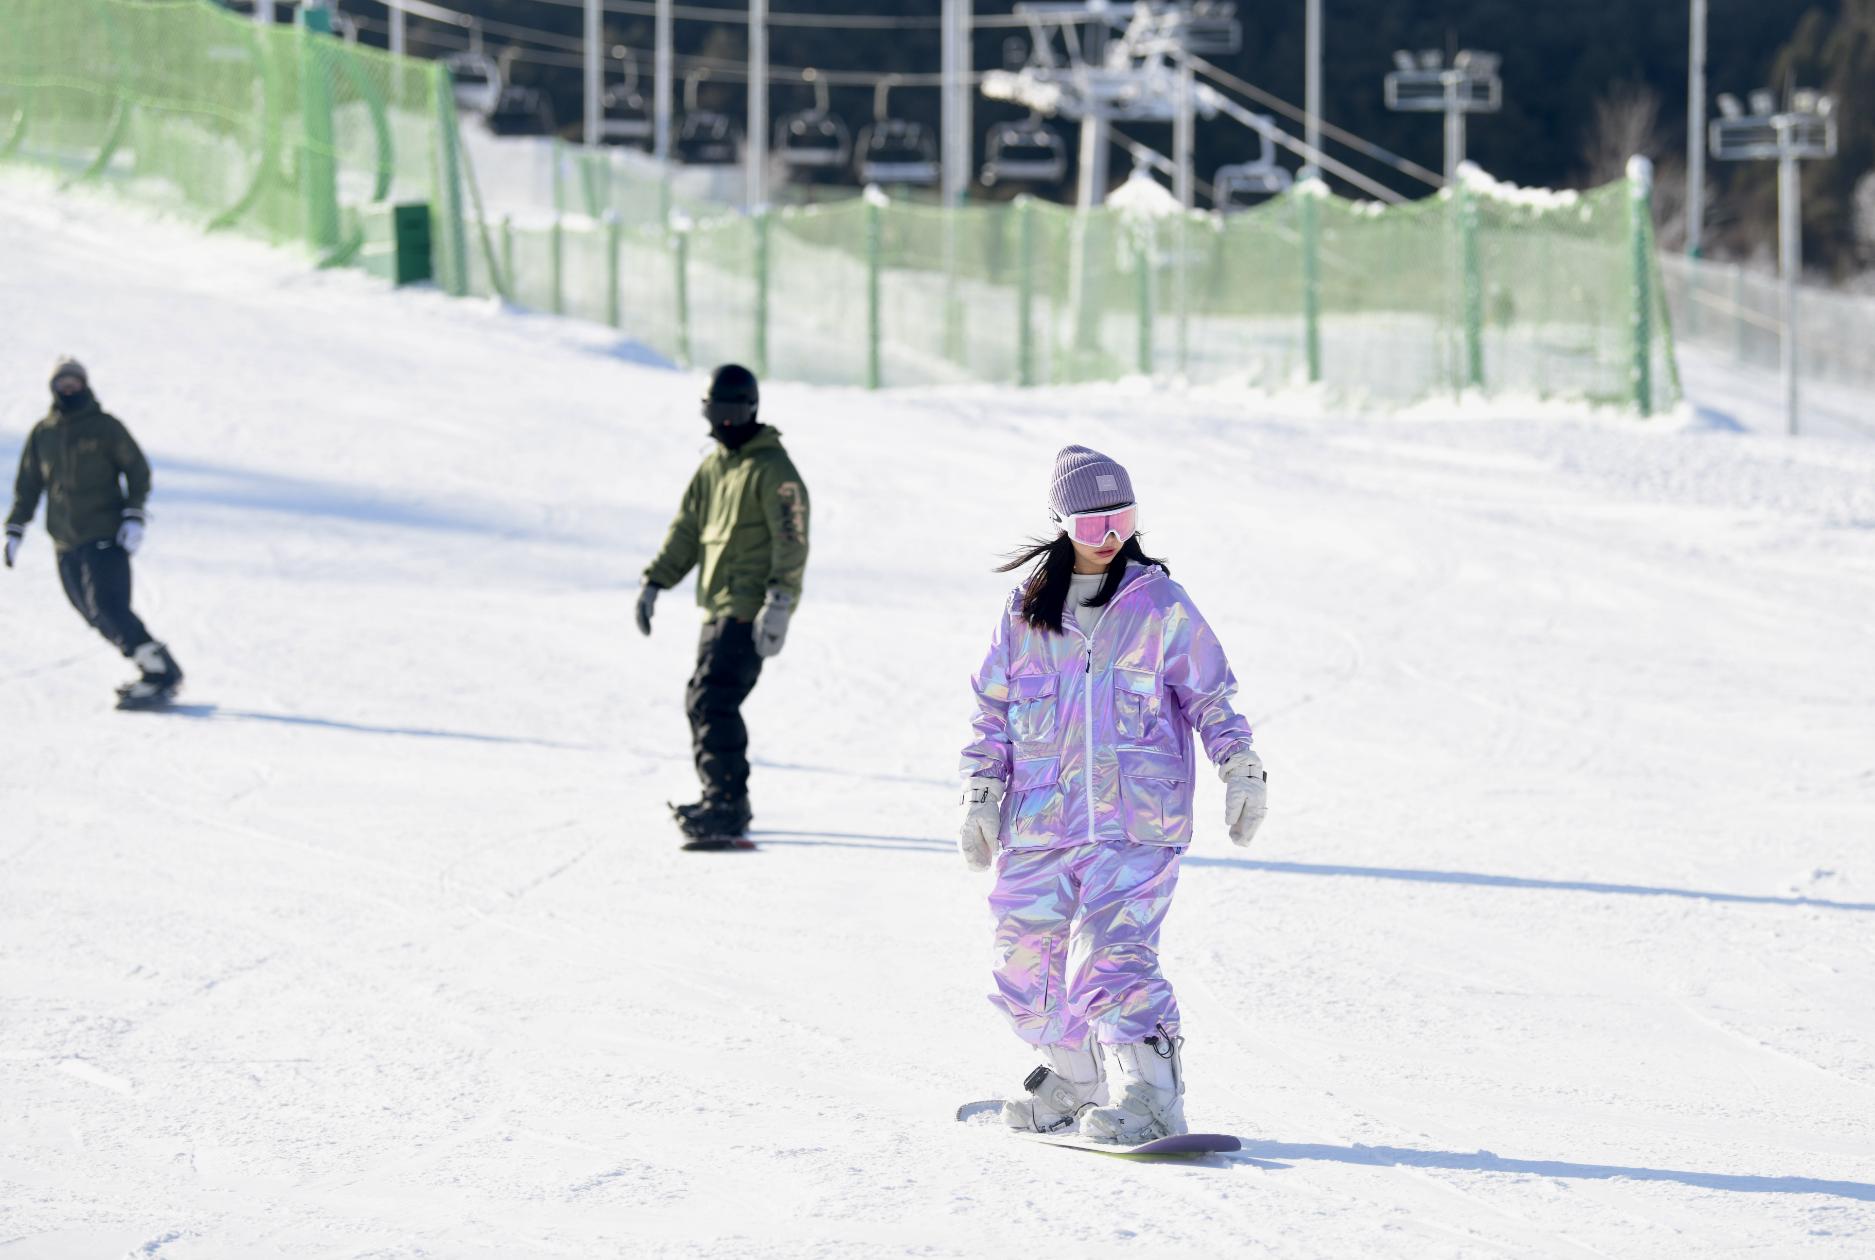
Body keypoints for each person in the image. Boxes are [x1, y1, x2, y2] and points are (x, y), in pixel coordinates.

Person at [956, 445, 1267, 1144]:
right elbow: (992, 712)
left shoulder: (1159, 605)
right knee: (1020, 969)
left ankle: (1153, 1099)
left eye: (1122, 519)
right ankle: (1074, 1078)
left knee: (1111, 957)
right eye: (1092, 523)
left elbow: (1211, 696)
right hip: (1039, 821)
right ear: (1061, 523)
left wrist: (1240, 766)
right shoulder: (1026, 612)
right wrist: (981, 793)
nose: (1110, 537)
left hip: (1136, 819)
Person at [636, 364, 810, 850]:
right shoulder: (714, 467)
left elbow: (792, 539)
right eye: (713, 409)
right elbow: (687, 531)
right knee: (704, 700)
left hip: (748, 609)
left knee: (713, 701)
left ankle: (727, 806)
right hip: (716, 606)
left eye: (728, 409)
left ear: (749, 409)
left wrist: (779, 602)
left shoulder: (773, 469)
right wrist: (656, 581)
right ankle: (723, 797)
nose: (720, 420)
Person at [6, 357, 184, 709]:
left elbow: (137, 470)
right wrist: (15, 527)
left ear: (85, 385)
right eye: (62, 383)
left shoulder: (105, 428)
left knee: (108, 606)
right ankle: (150, 664)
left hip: (105, 532)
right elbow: (28, 484)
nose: (68, 388)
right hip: (65, 539)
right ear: (53, 387)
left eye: (74, 381)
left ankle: (162, 671)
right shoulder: (44, 433)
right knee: (90, 612)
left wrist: (134, 515)